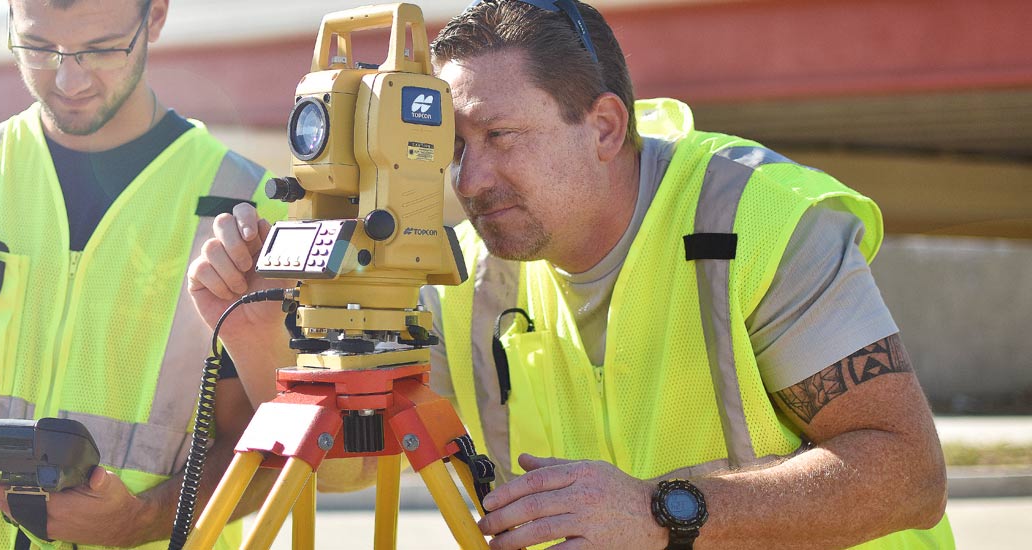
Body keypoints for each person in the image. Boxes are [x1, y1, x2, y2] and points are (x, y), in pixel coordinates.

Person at [187, 0, 955, 548]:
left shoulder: (758, 222)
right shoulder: (473, 281)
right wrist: (258, 334)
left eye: (499, 134)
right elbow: (349, 468)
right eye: (451, 144)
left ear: (605, 127)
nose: (470, 176)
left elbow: (908, 473)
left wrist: (662, 512)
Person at [0, 0, 284, 548]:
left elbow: (271, 444)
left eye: (100, 49)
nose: (67, 77)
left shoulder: (250, 208)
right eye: (36, 47)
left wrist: (142, 520)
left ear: (155, 17)